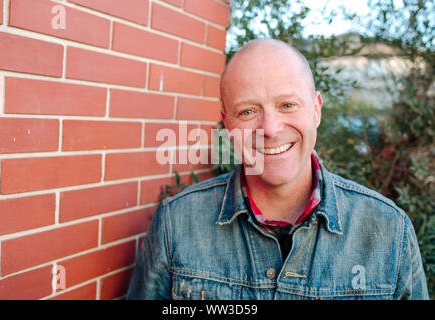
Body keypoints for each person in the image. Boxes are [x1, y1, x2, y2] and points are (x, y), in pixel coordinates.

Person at [127, 39, 429, 300]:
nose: (269, 129)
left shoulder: (389, 231)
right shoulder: (176, 224)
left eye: (287, 105)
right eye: (248, 111)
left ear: (316, 110)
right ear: (228, 125)